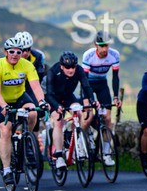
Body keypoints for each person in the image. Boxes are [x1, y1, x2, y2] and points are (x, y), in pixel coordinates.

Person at [0, 36, 50, 186]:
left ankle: (26, 139)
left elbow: (35, 86)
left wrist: (42, 102)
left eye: (18, 51)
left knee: (33, 112)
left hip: (19, 96)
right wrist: (4, 106)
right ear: (5, 52)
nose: (15, 54)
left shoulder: (27, 65)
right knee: (5, 130)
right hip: (1, 100)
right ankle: (7, 169)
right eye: (11, 51)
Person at [45, 51, 96, 169]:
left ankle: (70, 139)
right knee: (58, 122)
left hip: (68, 96)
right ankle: (59, 156)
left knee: (78, 113)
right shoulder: (53, 71)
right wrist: (56, 106)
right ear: (62, 66)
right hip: (53, 98)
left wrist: (93, 101)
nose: (71, 70)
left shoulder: (79, 70)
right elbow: (48, 95)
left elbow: (86, 86)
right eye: (67, 67)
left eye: (73, 67)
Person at [81, 31, 121, 162]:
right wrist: (89, 100)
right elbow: (84, 80)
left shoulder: (114, 55)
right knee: (88, 117)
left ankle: (106, 154)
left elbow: (115, 78)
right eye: (101, 46)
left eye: (106, 46)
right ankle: (82, 145)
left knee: (108, 119)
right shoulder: (89, 56)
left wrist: (116, 97)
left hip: (102, 84)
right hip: (88, 85)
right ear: (95, 45)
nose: (104, 49)